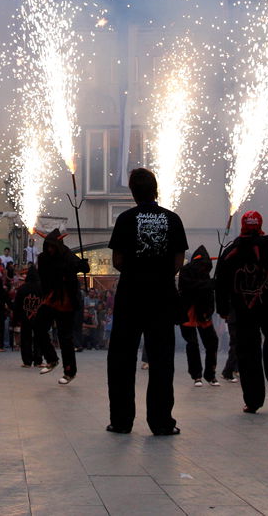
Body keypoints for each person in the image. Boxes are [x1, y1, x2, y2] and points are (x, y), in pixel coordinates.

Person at [106, 168, 187, 435]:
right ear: (156, 189)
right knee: (162, 361)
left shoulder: (126, 219)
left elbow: (117, 261)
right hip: (162, 297)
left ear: (132, 191)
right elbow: (178, 262)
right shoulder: (172, 219)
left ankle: (121, 421)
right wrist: (159, 274)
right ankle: (161, 422)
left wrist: (137, 271)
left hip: (131, 296)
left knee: (122, 360)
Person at [214, 207, 268, 414]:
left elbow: (220, 282)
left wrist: (223, 309)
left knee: (247, 353)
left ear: (242, 226)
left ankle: (253, 400)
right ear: (260, 226)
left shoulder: (230, 251)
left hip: (243, 310)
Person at [37, 229, 89, 384]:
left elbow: (84, 269)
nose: (50, 250)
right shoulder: (44, 258)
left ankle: (69, 372)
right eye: (48, 246)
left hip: (66, 300)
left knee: (65, 337)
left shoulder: (67, 255)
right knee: (39, 327)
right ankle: (52, 359)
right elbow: (45, 276)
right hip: (52, 298)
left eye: (53, 247)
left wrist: (82, 265)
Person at [178, 245, 218, 387]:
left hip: (203, 312)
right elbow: (188, 287)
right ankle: (196, 376)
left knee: (212, 342)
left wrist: (210, 311)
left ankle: (210, 374)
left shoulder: (205, 273)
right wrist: (208, 284)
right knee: (192, 344)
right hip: (188, 312)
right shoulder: (185, 271)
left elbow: (209, 296)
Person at [12, 264, 44, 368]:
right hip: (39, 317)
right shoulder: (42, 288)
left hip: (25, 317)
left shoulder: (22, 289)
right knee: (38, 338)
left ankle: (27, 361)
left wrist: (15, 319)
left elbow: (17, 305)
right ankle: (38, 360)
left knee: (26, 339)